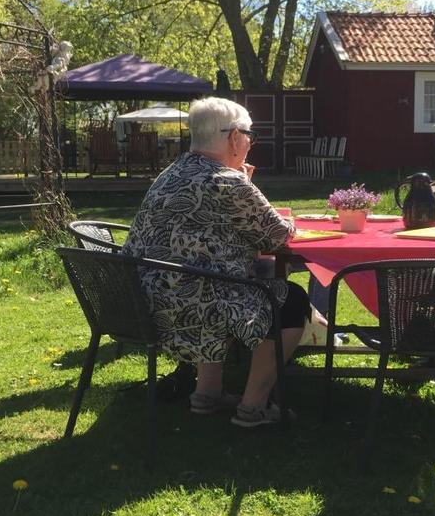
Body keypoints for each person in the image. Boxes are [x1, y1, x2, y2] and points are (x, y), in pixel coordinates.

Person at [122, 97, 308, 427]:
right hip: (187, 307)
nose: (251, 142)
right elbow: (277, 236)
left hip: (142, 302)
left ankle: (207, 394)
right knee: (292, 301)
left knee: (218, 282)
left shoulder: (171, 172)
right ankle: (253, 407)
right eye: (250, 135)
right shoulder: (227, 180)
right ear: (235, 137)